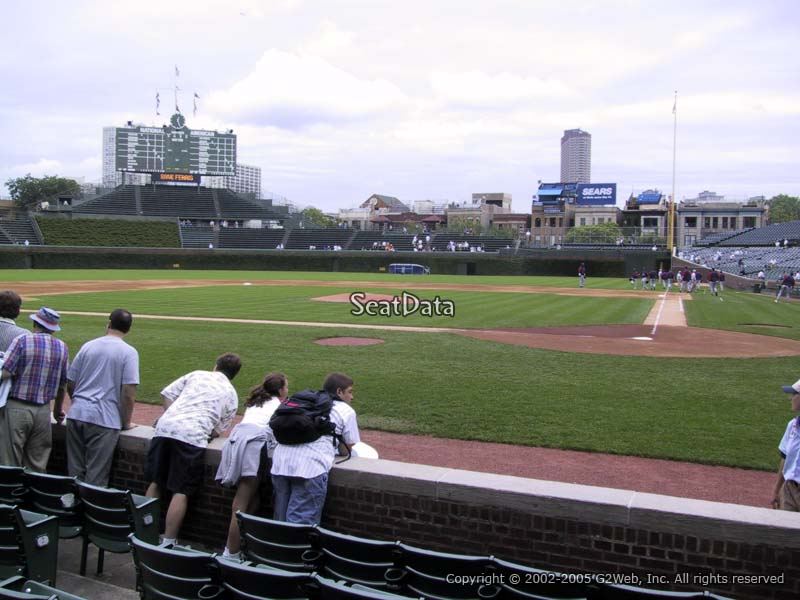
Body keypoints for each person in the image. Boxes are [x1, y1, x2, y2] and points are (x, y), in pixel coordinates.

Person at [144, 353, 241, 545]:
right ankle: (169, 540)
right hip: (192, 436)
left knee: (156, 482)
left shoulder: (196, 374)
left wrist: (171, 416)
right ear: (234, 374)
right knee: (181, 490)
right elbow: (217, 431)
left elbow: (167, 394)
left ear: (216, 365)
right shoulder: (231, 394)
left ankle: (144, 532)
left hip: (165, 428)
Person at [271, 372, 360, 525]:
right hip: (310, 470)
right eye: (350, 392)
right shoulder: (346, 410)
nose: (352, 397)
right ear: (339, 392)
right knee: (300, 527)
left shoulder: (306, 402)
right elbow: (347, 449)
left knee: (280, 522)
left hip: (280, 465)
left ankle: (278, 549)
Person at [217, 372, 288, 559]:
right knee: (240, 502)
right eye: (285, 386)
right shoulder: (277, 405)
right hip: (252, 445)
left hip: (237, 440)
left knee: (252, 497)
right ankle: (230, 553)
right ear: (280, 390)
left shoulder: (256, 402)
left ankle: (242, 544)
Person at [65, 309, 139, 486]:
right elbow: (128, 392)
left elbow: (70, 381)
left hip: (76, 414)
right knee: (96, 479)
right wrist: (126, 422)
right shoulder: (128, 352)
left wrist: (77, 402)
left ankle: (72, 511)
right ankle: (90, 513)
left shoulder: (88, 346)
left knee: (74, 474)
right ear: (128, 329)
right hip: (104, 419)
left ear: (109, 323)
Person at [0, 307, 69, 471]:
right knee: (37, 465)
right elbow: (62, 385)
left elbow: (6, 372)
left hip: (17, 407)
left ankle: (11, 496)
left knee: (9, 463)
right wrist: (57, 410)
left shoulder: (22, 340)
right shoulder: (62, 347)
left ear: (35, 322)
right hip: (43, 411)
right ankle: (35, 496)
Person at [773, 379, 800, 511]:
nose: (791, 399)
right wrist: (776, 490)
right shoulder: (792, 426)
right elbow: (785, 458)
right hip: (789, 490)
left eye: (794, 395)